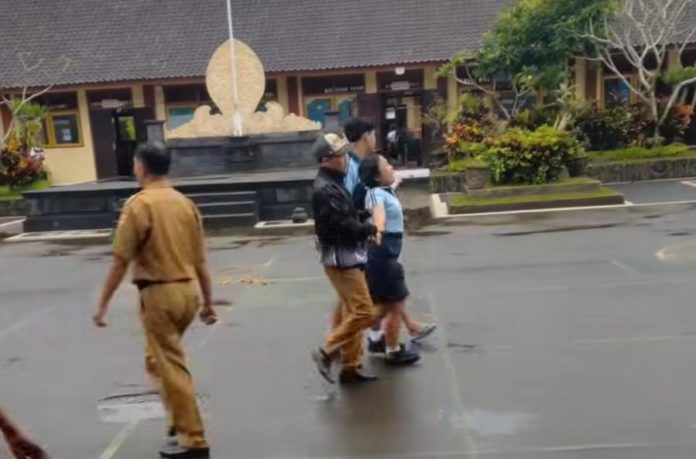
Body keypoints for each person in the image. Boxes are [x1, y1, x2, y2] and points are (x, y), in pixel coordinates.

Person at [93, 141, 218, 459]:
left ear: (143, 166)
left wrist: (103, 303)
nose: (135, 167)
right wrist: (208, 302)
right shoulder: (185, 204)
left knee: (170, 366)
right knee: (157, 361)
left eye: (136, 163)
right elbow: (200, 261)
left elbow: (121, 260)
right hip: (187, 292)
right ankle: (178, 420)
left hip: (160, 293)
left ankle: (193, 439)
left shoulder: (139, 205)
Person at [310, 133, 380, 384]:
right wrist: (368, 228)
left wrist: (360, 216)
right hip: (342, 259)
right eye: (340, 155)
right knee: (364, 313)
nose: (345, 159)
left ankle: (350, 366)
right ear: (326, 160)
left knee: (352, 312)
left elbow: (343, 216)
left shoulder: (333, 184)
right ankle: (326, 350)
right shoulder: (326, 189)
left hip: (345, 256)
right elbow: (342, 226)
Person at [360, 155, 425, 365]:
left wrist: (396, 183)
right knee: (396, 304)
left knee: (382, 305)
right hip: (384, 255)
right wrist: (379, 228)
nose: (391, 167)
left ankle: (374, 340)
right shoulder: (376, 194)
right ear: (377, 177)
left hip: (382, 254)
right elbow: (379, 215)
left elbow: (387, 197)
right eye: (386, 165)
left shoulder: (383, 191)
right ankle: (392, 349)